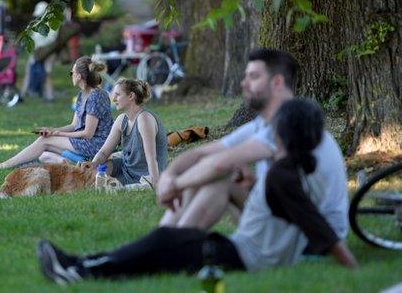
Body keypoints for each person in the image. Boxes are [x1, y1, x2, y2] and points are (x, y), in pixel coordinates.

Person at [36, 98, 357, 284]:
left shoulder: (283, 176)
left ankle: (80, 270)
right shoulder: (298, 167)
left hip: (247, 256)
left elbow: (317, 226)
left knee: (163, 247)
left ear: (284, 132)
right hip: (244, 248)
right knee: (165, 245)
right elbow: (298, 215)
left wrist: (350, 266)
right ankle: (81, 265)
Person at [0, 56, 113, 169]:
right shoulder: (81, 95)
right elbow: (73, 126)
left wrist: (58, 134)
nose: (71, 76)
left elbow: (88, 133)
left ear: (78, 76)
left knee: (44, 142)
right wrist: (52, 131)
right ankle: (67, 163)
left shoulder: (96, 96)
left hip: (96, 145)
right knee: (42, 153)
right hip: (84, 142)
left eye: (72, 73)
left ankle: (5, 165)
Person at [81, 78, 168, 187]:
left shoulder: (144, 119)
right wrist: (92, 164)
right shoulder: (121, 119)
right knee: (92, 175)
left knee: (102, 184)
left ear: (131, 96)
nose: (113, 98)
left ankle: (116, 185)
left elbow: (151, 158)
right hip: (125, 168)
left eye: (117, 95)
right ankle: (111, 183)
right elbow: (104, 152)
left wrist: (156, 185)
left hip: (144, 175)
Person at [21, 1, 58, 102]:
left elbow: (52, 39)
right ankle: (22, 95)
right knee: (28, 71)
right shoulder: (36, 23)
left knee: (46, 73)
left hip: (48, 53)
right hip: (36, 53)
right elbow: (32, 37)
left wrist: (40, 48)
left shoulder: (52, 23)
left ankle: (50, 96)